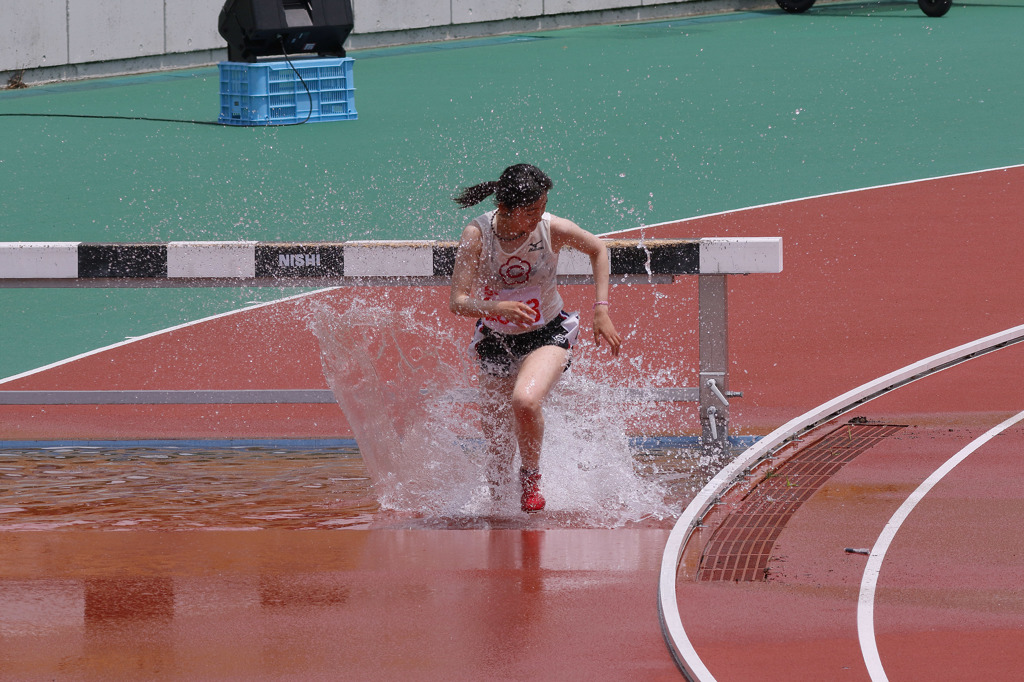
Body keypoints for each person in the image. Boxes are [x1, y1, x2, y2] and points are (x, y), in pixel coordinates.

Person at [449, 164, 621, 513]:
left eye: (542, 206)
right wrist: (498, 307)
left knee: (525, 402)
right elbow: (458, 302)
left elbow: (598, 249)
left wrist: (600, 308)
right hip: (496, 338)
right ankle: (500, 516)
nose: (538, 216)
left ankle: (531, 481)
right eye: (530, 211)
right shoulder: (477, 235)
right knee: (497, 445)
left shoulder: (550, 228)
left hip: (547, 332)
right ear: (506, 208)